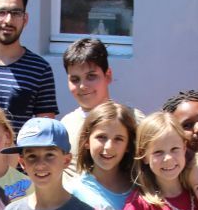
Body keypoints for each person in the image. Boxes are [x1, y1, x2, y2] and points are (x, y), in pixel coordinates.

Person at [0, 0, 59, 133]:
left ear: (25, 19)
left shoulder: (40, 69)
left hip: (16, 156)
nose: (8, 20)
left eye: (16, 13)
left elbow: (45, 132)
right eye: (1, 12)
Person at [60, 38, 143, 179]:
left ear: (108, 75)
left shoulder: (133, 119)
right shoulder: (65, 126)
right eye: (75, 79)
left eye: (91, 76)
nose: (83, 86)